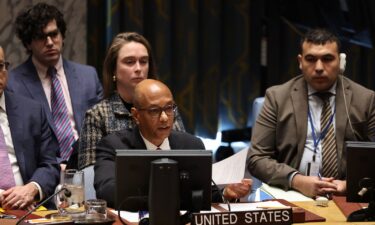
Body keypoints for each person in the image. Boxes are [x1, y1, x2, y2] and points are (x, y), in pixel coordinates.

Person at [247, 28, 375, 198]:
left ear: (341, 61)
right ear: (300, 61)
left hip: (347, 195)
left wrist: (349, 183)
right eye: (311, 59)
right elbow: (257, 158)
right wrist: (296, 180)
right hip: (292, 192)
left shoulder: (365, 99)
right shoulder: (277, 97)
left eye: (328, 59)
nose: (319, 67)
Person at [94, 79, 251, 207]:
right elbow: (106, 191)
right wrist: (167, 198)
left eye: (169, 108)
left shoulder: (192, 145)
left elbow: (203, 193)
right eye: (154, 110)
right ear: (136, 115)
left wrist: (226, 192)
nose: (164, 117)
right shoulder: (113, 146)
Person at [7, 3, 103, 165]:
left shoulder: (88, 76)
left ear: (62, 35)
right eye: (41, 37)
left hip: (87, 164)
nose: (50, 42)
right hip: (42, 168)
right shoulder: (13, 84)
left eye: (54, 34)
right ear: (28, 43)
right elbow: (20, 142)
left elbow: (101, 128)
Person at [78, 32, 185, 170]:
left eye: (143, 61)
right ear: (113, 70)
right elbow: (90, 175)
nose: (138, 68)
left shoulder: (166, 107)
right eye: (130, 62)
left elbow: (185, 156)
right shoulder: (98, 115)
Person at [0, 46, 60, 210]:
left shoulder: (32, 111)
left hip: (27, 207)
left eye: (0, 66)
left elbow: (49, 164)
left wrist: (32, 188)